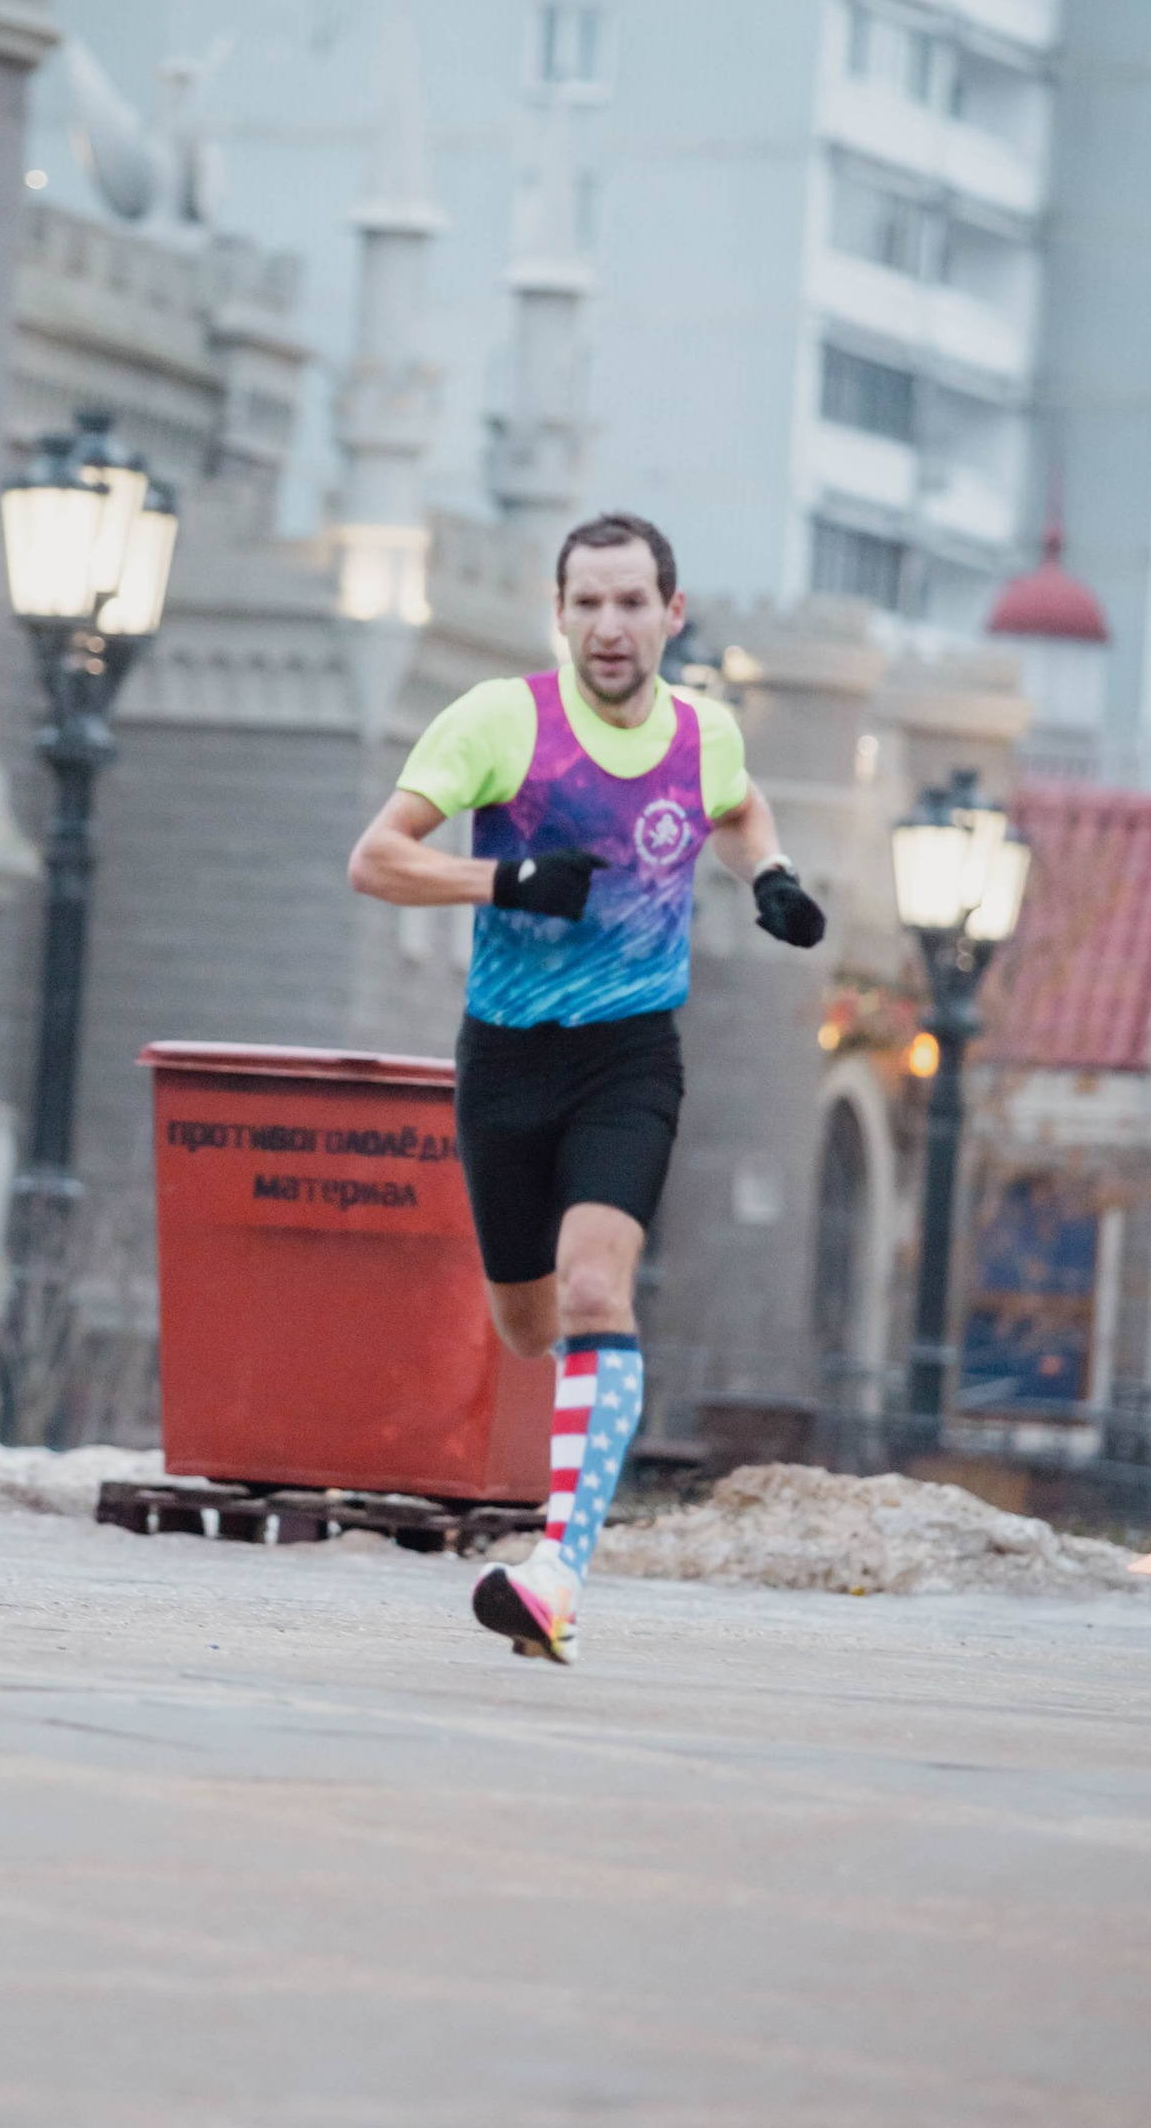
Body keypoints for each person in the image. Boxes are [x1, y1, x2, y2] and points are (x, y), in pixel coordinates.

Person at [347, 512, 825, 1664]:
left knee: (596, 1287)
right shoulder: (502, 723)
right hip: (506, 1057)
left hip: (629, 1054)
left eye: (631, 604)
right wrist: (504, 877)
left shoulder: (701, 733)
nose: (609, 628)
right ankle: (561, 1487)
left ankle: (557, 1566)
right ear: (557, 614)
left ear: (672, 613)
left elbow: (737, 801)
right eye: (586, 604)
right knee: (528, 1323)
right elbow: (375, 859)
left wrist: (766, 873)